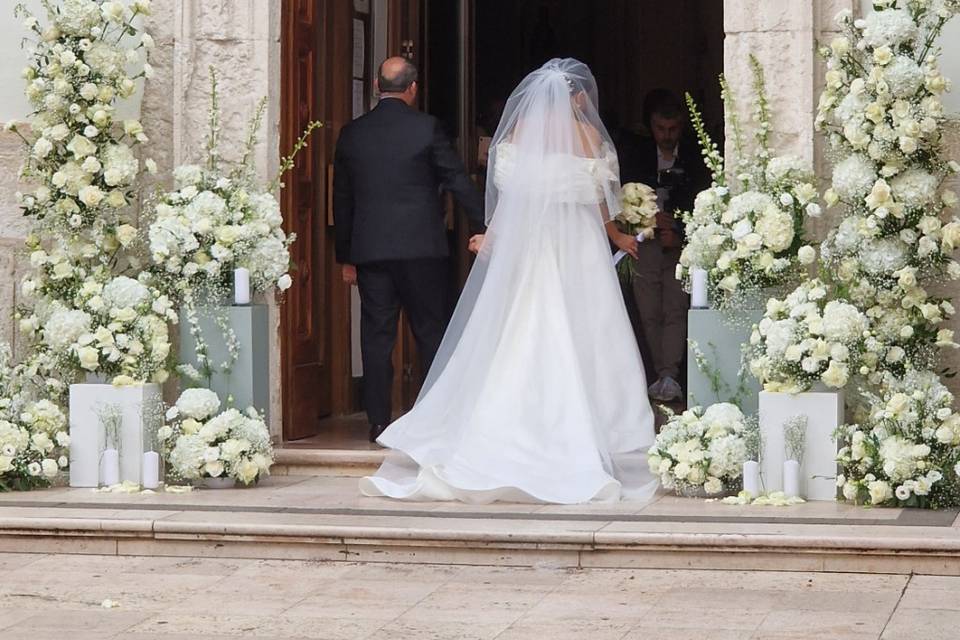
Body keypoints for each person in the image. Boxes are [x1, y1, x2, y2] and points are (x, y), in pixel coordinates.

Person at [359, 59, 657, 505]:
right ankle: (605, 428)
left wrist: (491, 236)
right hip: (579, 253)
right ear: (576, 97)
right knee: (588, 331)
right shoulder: (590, 137)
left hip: (532, 253)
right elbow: (600, 201)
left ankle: (505, 424)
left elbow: (508, 201)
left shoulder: (516, 137)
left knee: (520, 330)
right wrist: (616, 235)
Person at [333, 57, 486, 443]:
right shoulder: (427, 128)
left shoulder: (353, 133)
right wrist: (488, 222)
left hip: (371, 251)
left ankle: (379, 422)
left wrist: (345, 256)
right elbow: (456, 180)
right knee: (430, 331)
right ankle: (434, 417)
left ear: (375, 86)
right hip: (421, 249)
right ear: (413, 87)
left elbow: (343, 200)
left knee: (376, 336)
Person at [618, 89, 709, 403]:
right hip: (644, 243)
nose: (667, 136)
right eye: (660, 129)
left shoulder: (695, 157)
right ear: (650, 126)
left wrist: (680, 231)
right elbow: (622, 197)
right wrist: (647, 223)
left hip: (680, 245)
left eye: (673, 129)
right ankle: (656, 374)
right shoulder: (637, 154)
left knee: (675, 307)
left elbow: (705, 200)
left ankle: (669, 375)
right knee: (648, 310)